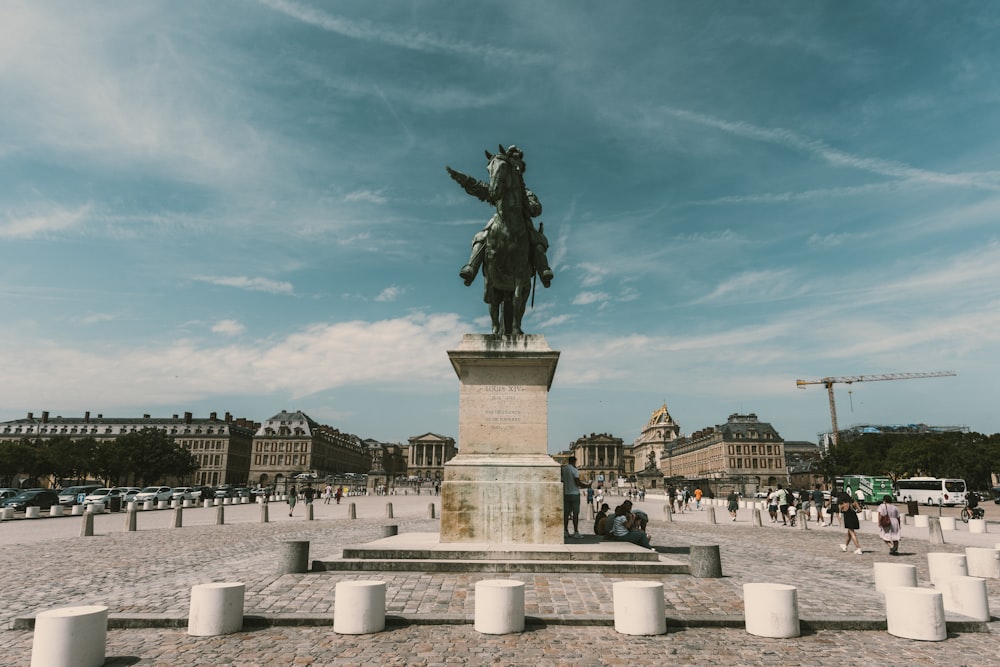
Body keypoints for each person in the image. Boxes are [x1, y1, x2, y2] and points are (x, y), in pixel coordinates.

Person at [561, 456, 591, 539]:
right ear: (574, 461)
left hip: (566, 493)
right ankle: (576, 531)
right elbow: (578, 483)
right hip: (574, 494)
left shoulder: (564, 469)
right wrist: (587, 485)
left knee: (566, 514)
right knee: (575, 514)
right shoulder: (574, 470)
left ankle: (565, 531)